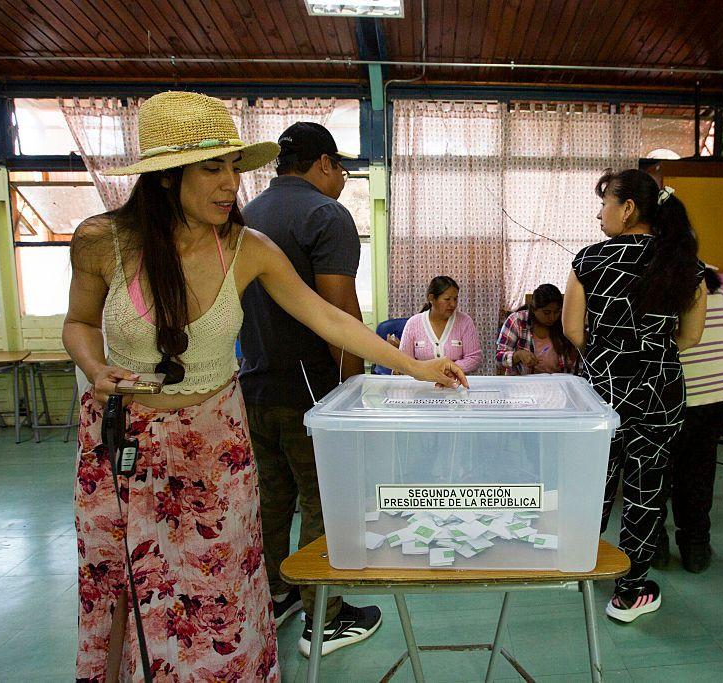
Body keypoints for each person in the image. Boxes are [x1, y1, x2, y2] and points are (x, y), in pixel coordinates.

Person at [63, 91, 466, 681]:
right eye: (212, 168)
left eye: (234, 167)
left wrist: (417, 367)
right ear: (168, 177)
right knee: (121, 586)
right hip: (123, 447)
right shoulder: (103, 241)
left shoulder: (248, 249)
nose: (231, 184)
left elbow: (330, 318)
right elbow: (76, 323)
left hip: (215, 445)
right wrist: (96, 369)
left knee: (218, 592)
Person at [238, 121, 378, 657]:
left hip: (252, 384)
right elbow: (338, 310)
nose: (342, 178)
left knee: (272, 497)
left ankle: (274, 594)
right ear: (323, 163)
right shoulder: (326, 214)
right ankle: (326, 614)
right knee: (325, 498)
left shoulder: (247, 215)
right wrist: (354, 387)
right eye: (341, 168)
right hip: (311, 392)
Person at [563, 169, 706, 624]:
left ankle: (578, 567)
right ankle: (630, 592)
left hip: (602, 391)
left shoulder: (588, 261)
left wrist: (609, 356)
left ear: (627, 210)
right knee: (646, 489)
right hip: (661, 391)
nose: (599, 212)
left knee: (593, 482)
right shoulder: (685, 265)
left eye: (605, 203)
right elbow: (692, 336)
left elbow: (571, 331)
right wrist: (652, 354)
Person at [656, 267, 723, 573]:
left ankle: (655, 547)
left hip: (683, 395)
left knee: (659, 472)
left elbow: (666, 344)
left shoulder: (672, 293)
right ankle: (696, 549)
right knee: (698, 471)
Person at [398, 276, 483, 374]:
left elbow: (474, 358)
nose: (453, 304)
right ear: (431, 298)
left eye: (455, 299)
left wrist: (451, 369)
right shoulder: (413, 324)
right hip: (421, 384)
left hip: (455, 384)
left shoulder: (465, 322)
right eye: (447, 299)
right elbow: (405, 361)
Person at [496, 283, 579, 375]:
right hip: (523, 383)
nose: (552, 317)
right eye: (546, 312)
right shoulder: (517, 321)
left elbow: (576, 365)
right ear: (534, 309)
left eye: (557, 312)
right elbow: (499, 358)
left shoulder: (564, 323)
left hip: (557, 382)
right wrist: (518, 355)